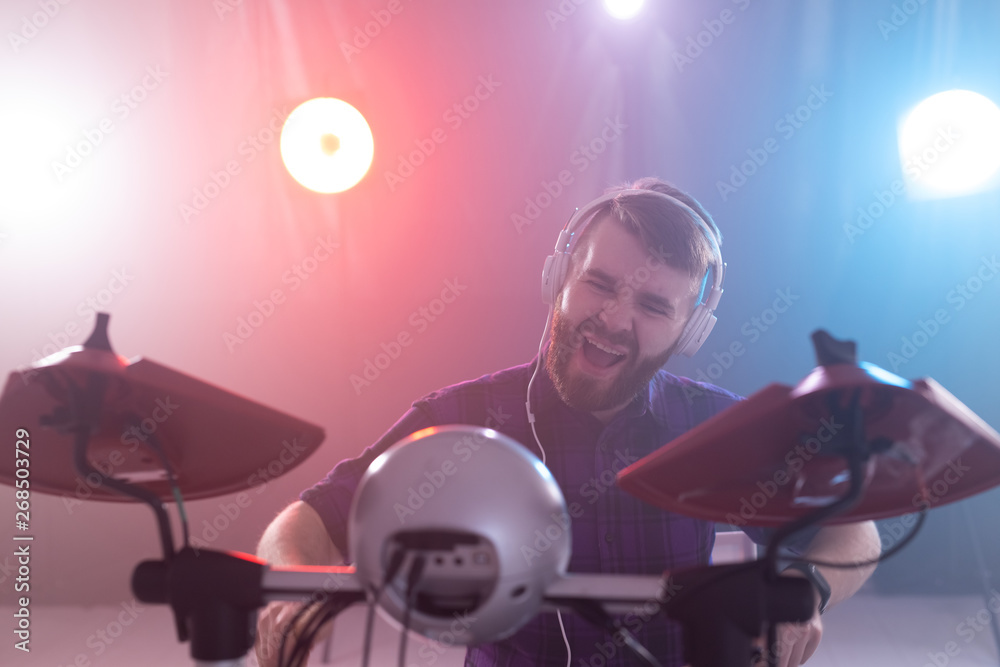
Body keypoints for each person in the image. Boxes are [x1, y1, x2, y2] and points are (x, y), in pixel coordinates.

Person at [254, 177, 881, 667]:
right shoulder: (457, 420)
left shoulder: (720, 426)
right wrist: (291, 597)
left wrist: (805, 588)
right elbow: (306, 521)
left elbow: (857, 532)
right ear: (558, 277)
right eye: (599, 283)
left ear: (690, 331)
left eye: (653, 305)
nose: (612, 318)